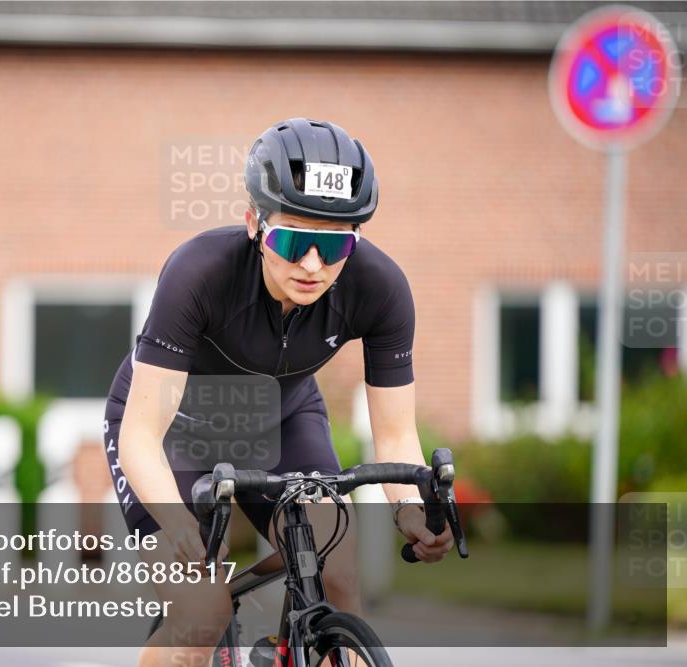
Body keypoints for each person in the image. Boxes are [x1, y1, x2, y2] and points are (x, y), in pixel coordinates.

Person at [102, 118, 454, 667]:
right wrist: (176, 526)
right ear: (253, 223)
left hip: (283, 420)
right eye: (291, 240)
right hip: (173, 435)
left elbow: (395, 432)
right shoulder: (198, 272)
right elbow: (142, 434)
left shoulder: (382, 288)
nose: (313, 265)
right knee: (202, 611)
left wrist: (409, 509)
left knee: (336, 571)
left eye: (335, 245)